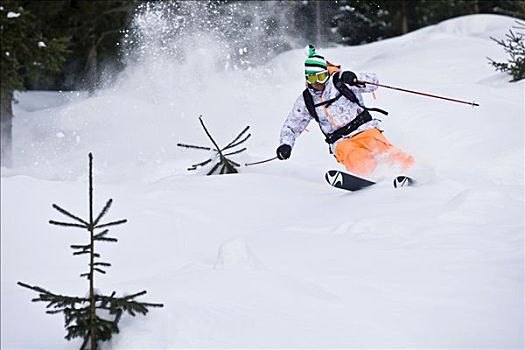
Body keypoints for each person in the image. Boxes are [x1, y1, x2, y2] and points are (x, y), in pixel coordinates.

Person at [276, 45, 414, 178]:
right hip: (340, 140)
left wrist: (355, 78)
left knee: (383, 150)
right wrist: (285, 144)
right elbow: (291, 126)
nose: (317, 82)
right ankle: (372, 176)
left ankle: (411, 170)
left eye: (321, 77)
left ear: (326, 74)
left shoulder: (340, 82)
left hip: (364, 128)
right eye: (312, 78)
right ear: (307, 79)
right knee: (353, 155)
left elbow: (374, 82)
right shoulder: (306, 100)